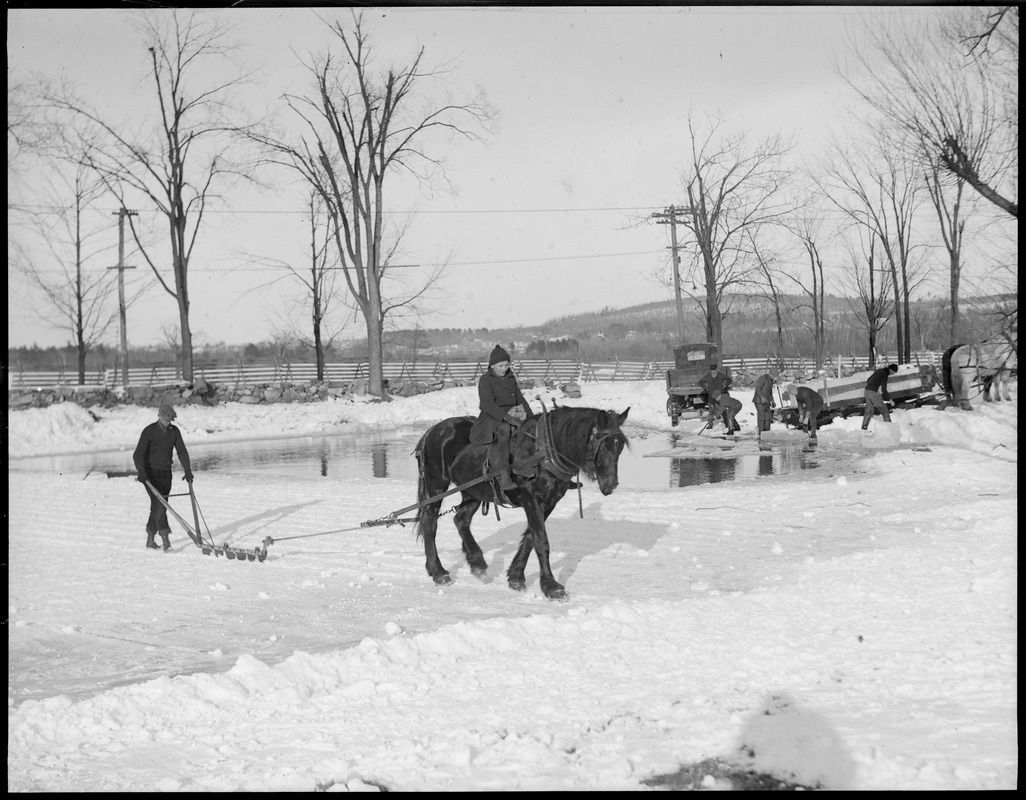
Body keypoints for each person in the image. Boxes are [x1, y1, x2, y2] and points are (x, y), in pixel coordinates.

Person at [469, 345, 535, 491]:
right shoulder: (486, 380)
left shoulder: (511, 378)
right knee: (505, 430)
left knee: (531, 430)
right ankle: (504, 475)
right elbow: (487, 404)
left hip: (512, 413)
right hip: (492, 416)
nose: (504, 368)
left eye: (507, 365)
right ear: (492, 365)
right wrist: (507, 418)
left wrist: (532, 419)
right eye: (501, 365)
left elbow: (521, 400)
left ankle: (529, 466)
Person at [133, 404, 193, 551]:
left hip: (166, 473)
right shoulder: (149, 431)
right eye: (165, 419)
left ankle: (150, 539)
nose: (168, 422)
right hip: (150, 473)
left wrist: (187, 470)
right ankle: (165, 538)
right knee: (160, 503)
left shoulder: (174, 431)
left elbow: (182, 451)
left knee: (159, 504)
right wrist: (141, 472)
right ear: (159, 416)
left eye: (170, 420)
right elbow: (138, 454)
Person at [862, 363, 898, 430]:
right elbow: (884, 390)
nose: (893, 374)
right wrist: (890, 400)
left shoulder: (878, 371)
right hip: (872, 392)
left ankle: (864, 427)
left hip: (866, 391)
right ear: (891, 370)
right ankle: (890, 427)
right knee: (884, 409)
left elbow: (868, 380)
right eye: (893, 372)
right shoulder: (884, 374)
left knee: (869, 410)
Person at [752, 371, 777, 436]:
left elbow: (770, 392)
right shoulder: (763, 378)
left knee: (768, 417)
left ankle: (767, 432)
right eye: (773, 376)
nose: (774, 377)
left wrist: (772, 400)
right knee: (762, 417)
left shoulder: (771, 380)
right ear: (770, 374)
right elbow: (758, 389)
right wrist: (762, 398)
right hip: (759, 401)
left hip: (766, 400)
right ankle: (761, 433)